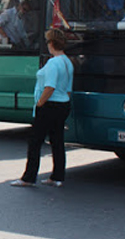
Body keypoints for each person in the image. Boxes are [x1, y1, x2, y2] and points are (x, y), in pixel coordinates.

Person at [11, 29, 73, 188]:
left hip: (49, 105)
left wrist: (40, 103)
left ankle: (29, 177)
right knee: (57, 140)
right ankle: (58, 176)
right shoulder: (67, 62)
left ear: (51, 43)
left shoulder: (53, 63)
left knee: (35, 141)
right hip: (63, 104)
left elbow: (49, 86)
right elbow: (68, 89)